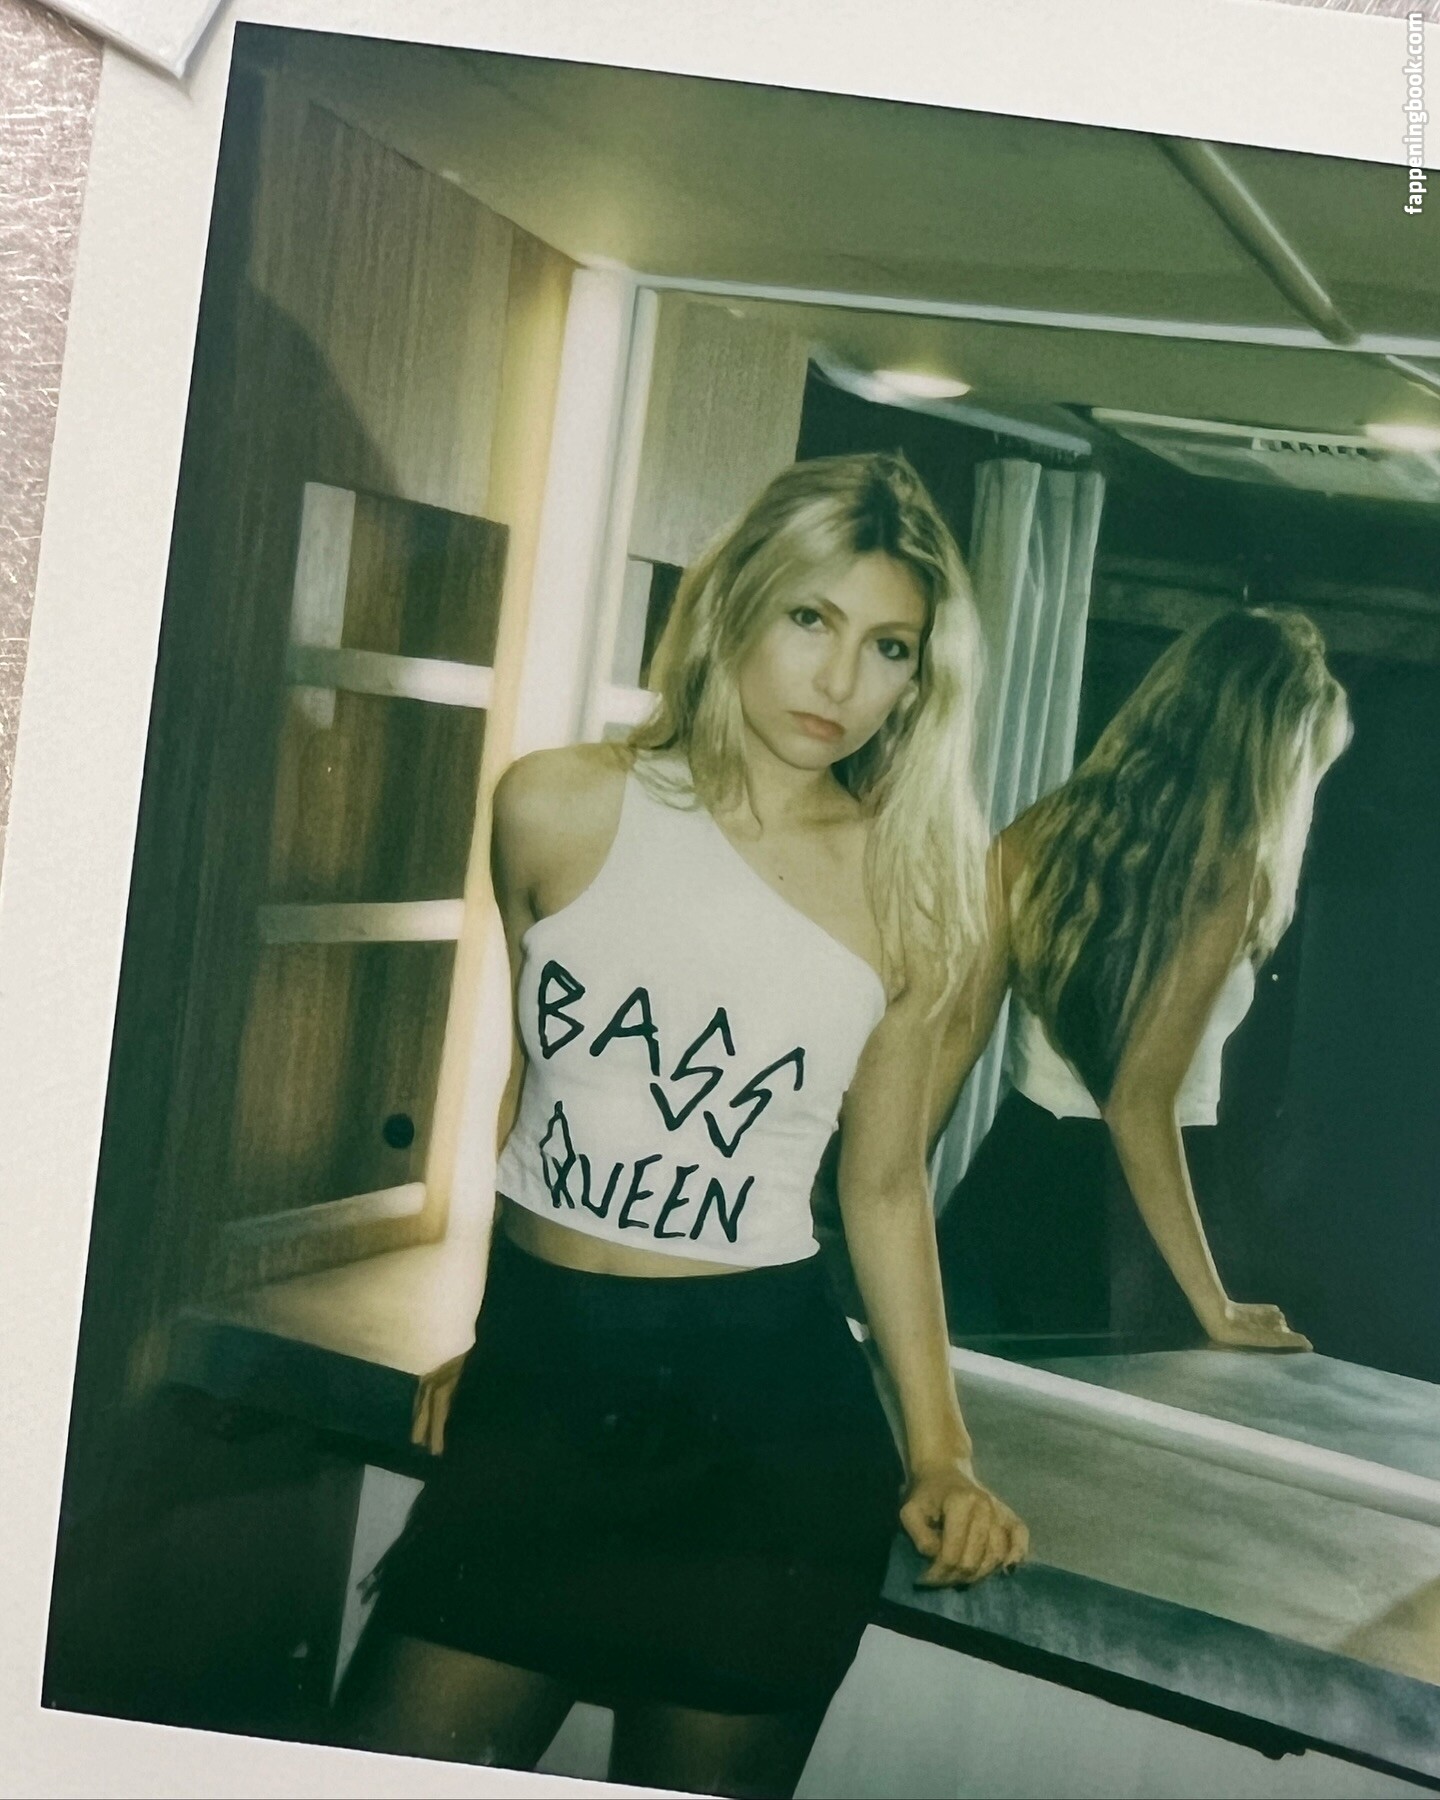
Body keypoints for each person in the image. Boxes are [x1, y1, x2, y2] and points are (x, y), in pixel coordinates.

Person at [333, 452, 1029, 1800]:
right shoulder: (552, 805)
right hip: (538, 1405)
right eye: (812, 619)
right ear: (736, 604)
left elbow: (885, 1189)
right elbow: (540, 1095)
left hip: (760, 1450)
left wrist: (942, 1450)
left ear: (919, 677)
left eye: (889, 646)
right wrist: (499, 1338)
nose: (841, 680)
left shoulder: (913, 886)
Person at [931, 607, 1351, 1353]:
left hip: (1010, 1188)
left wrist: (875, 1203)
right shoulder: (1227, 876)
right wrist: (1215, 1306)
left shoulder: (1032, 836)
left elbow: (949, 1047)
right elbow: (1136, 1101)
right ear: (1271, 753)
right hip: (1141, 1221)